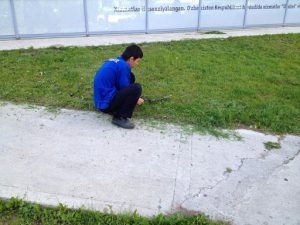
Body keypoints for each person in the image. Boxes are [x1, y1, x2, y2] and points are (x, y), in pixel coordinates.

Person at [93, 44, 144, 129]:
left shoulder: (117, 61)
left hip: (100, 101)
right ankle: (120, 117)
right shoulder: (124, 66)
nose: (137, 63)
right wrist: (136, 99)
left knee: (131, 76)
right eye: (137, 61)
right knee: (136, 88)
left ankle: (116, 109)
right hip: (106, 105)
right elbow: (124, 88)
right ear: (131, 58)